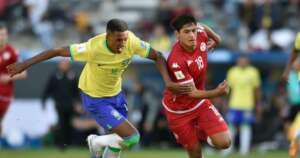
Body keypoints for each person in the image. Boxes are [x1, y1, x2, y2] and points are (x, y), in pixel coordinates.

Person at [7, 19, 190, 158]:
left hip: (116, 95)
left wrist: (168, 81)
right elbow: (55, 51)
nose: (123, 45)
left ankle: (99, 147)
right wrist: (25, 64)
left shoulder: (131, 42)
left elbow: (158, 56)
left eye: (125, 40)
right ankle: (95, 141)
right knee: (132, 137)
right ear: (108, 36)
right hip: (95, 98)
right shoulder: (93, 47)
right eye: (119, 40)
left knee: (116, 142)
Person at [162, 14, 231, 158]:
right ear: (177, 34)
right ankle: (195, 132)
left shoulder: (199, 33)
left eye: (193, 30)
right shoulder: (176, 60)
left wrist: (216, 38)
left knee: (225, 142)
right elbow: (191, 92)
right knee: (195, 152)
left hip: (199, 103)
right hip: (178, 110)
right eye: (186, 32)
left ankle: (199, 131)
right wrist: (217, 92)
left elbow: (201, 26)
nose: (192, 35)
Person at [224, 54, 261, 156]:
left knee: (246, 127)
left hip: (248, 105)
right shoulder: (232, 71)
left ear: (248, 61)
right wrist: (226, 103)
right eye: (241, 60)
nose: (243, 62)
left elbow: (256, 90)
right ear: (238, 61)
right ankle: (227, 149)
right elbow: (228, 89)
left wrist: (258, 104)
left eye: (245, 60)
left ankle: (244, 151)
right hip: (234, 104)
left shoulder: (253, 72)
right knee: (231, 127)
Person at [41, 59, 79, 150]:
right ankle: (62, 144)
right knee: (61, 123)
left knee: (70, 124)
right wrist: (44, 100)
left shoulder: (73, 76)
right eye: (63, 64)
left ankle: (70, 143)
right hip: (59, 104)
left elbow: (77, 91)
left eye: (66, 64)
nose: (64, 66)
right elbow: (48, 89)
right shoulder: (55, 76)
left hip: (71, 105)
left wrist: (79, 103)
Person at [0, 23, 26, 139]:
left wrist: (7, 77)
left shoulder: (12, 53)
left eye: (3, 34)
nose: (2, 37)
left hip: (5, 92)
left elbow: (24, 73)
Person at [282, 32, 300, 158]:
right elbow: (295, 51)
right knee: (291, 123)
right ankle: (293, 145)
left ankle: (293, 146)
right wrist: (287, 70)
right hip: (294, 103)